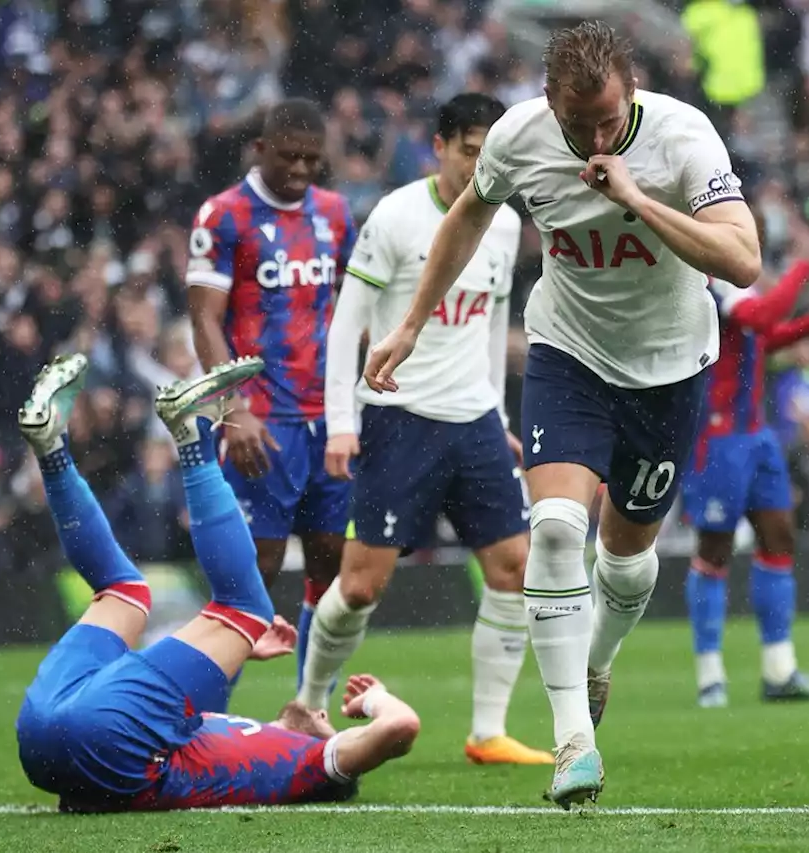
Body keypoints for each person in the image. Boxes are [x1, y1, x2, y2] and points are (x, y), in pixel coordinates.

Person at [362, 21, 762, 808]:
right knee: (550, 528)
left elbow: (744, 261)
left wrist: (638, 198)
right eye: (580, 125)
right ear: (550, 102)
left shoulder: (684, 136)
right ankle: (573, 741)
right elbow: (469, 217)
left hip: (670, 369)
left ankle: (597, 659)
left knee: (624, 554)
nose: (597, 138)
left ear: (631, 90)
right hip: (568, 356)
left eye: (610, 119)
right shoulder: (518, 136)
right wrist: (410, 322)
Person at [14, 354, 420, 812]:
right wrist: (237, 649)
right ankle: (52, 451)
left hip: (101, 740)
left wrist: (375, 702)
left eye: (328, 724)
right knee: (124, 593)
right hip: (47, 743)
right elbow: (161, 713)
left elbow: (399, 728)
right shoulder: (234, 753)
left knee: (246, 609)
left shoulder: (310, 764)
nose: (322, 714)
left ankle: (195, 436)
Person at [301, 93, 551, 767]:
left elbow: (494, 327)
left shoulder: (500, 224)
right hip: (397, 418)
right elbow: (345, 325)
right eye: (471, 151)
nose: (482, 165)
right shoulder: (395, 217)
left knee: (515, 568)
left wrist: (498, 414)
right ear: (438, 147)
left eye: (492, 152)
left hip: (472, 424)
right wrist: (342, 424)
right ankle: (307, 702)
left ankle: (488, 731)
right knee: (360, 585)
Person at [186, 99, 357, 688]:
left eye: (313, 159)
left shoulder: (335, 215)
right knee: (250, 572)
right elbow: (204, 318)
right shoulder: (224, 215)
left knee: (331, 567)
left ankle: (311, 708)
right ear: (260, 149)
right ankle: (204, 715)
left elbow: (351, 308)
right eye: (289, 156)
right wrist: (231, 408)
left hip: (327, 420)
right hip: (260, 420)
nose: (302, 170)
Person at [680, 224, 809, 709]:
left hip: (757, 435)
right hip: (717, 441)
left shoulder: (739, 281)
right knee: (714, 550)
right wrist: (805, 263)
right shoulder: (710, 281)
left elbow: (759, 339)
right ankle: (710, 676)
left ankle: (780, 671)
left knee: (779, 538)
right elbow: (760, 316)